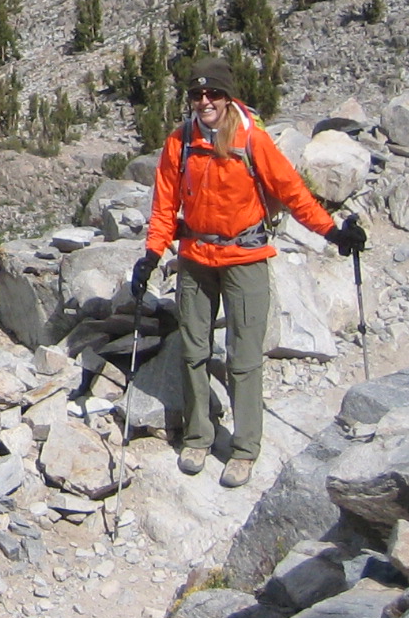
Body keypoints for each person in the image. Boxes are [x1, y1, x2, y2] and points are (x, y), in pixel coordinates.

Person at [128, 56, 366, 488]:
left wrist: (332, 231)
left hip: (245, 258)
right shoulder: (179, 144)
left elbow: (293, 193)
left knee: (243, 358)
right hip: (196, 257)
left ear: (227, 96)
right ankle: (198, 436)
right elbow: (165, 207)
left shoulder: (252, 141)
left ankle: (244, 448)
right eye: (197, 94)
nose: (205, 101)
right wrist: (151, 254)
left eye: (213, 93)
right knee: (193, 350)